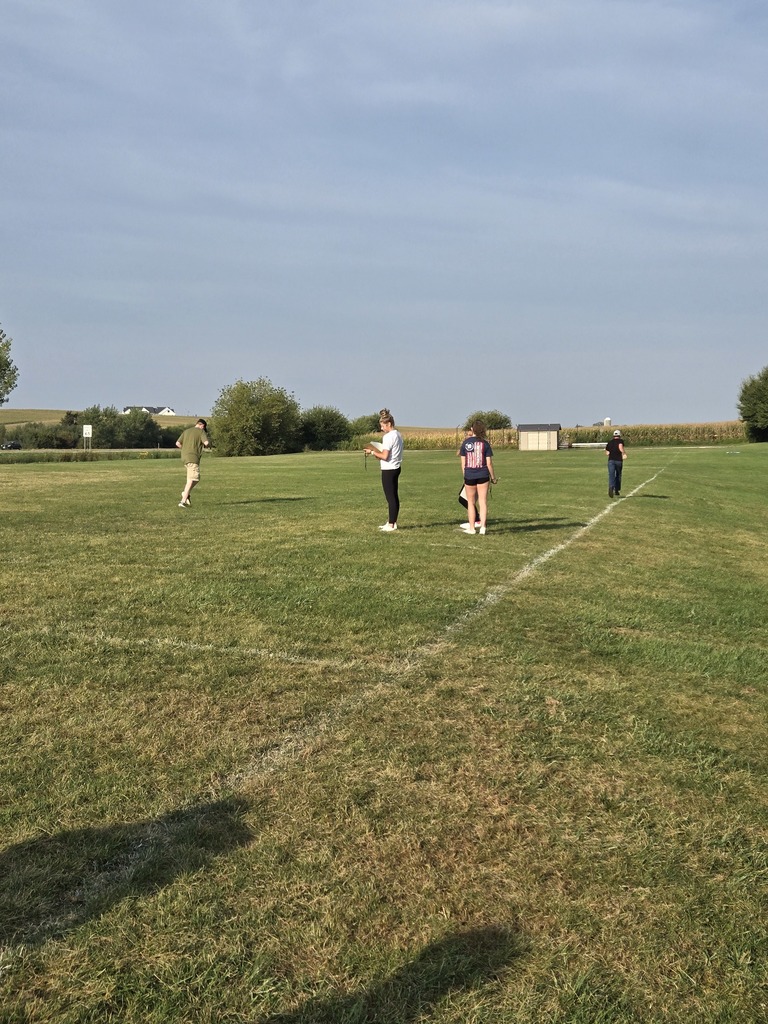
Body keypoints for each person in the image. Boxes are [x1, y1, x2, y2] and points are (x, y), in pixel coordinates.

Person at [364, 409, 403, 531]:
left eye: (382, 426)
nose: (382, 429)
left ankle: (391, 524)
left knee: (390, 497)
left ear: (389, 424)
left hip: (389, 469)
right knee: (393, 496)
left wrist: (372, 452)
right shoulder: (398, 434)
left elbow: (385, 456)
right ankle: (392, 522)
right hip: (395, 467)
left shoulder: (388, 437)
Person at [459, 420, 497, 535]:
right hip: (483, 474)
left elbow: (463, 463)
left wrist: (465, 476)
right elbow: (489, 463)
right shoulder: (485, 444)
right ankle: (483, 527)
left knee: (470, 502)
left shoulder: (466, 443)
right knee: (482, 501)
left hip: (469, 474)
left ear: (472, 429)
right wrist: (493, 477)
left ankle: (472, 528)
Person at [176, 418, 211, 507]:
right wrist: (209, 444)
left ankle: (185, 493)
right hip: (193, 457)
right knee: (193, 479)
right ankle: (183, 500)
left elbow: (178, 443)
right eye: (203, 427)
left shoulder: (186, 431)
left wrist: (185, 449)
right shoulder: (201, 432)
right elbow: (206, 443)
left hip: (184, 457)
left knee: (193, 478)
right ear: (202, 425)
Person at [605, 429, 626, 497]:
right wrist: (623, 453)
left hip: (611, 460)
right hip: (618, 461)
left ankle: (611, 486)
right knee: (618, 475)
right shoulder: (620, 441)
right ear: (619, 435)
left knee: (611, 474)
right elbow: (620, 447)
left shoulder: (610, 442)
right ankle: (617, 489)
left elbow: (607, 453)